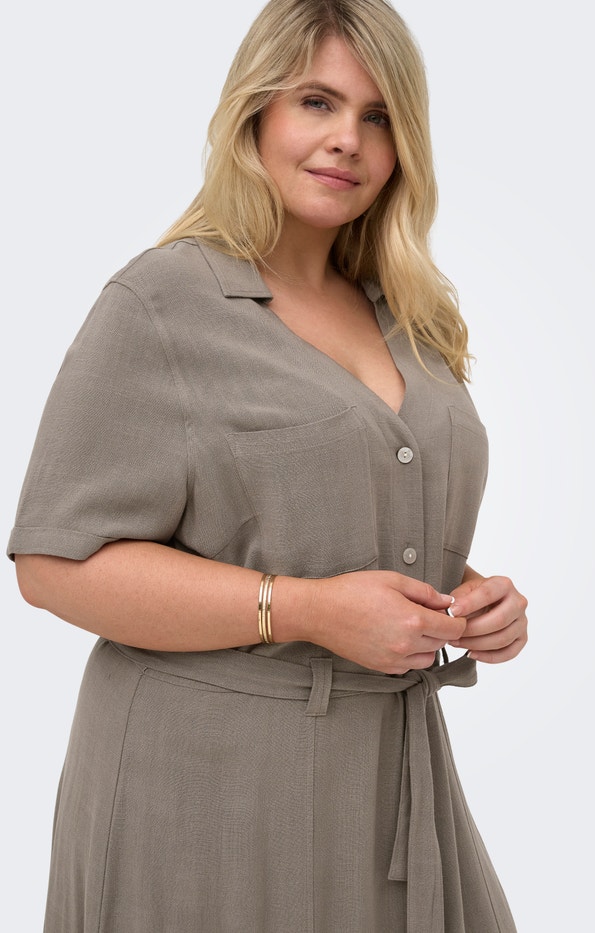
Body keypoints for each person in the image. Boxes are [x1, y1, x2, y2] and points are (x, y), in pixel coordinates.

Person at [8, 0, 528, 929]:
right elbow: (53, 564)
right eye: (317, 102)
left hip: (391, 773)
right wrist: (307, 610)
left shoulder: (410, 315)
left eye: (378, 116)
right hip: (204, 788)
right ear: (256, 112)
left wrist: (468, 598)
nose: (348, 140)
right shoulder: (161, 301)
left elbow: (333, 516)